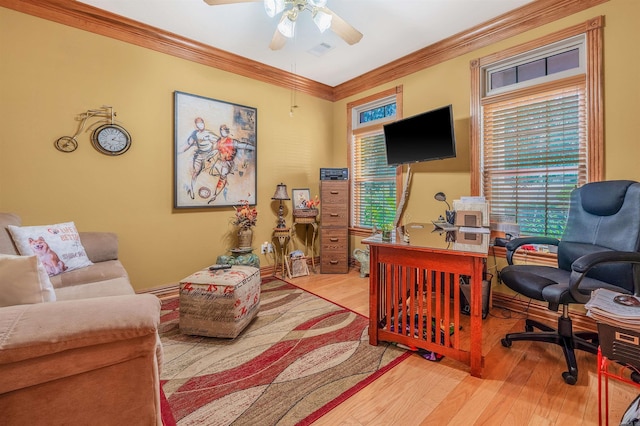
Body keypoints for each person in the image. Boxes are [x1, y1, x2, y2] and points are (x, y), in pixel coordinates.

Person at [207, 124, 255, 204]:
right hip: (220, 161)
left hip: (228, 162)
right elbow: (212, 150)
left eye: (225, 130)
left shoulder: (232, 141)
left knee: (223, 175)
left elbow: (243, 145)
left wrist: (254, 148)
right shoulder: (218, 142)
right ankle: (218, 191)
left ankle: (215, 194)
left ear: (227, 131)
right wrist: (209, 157)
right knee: (220, 174)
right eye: (222, 130)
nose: (223, 131)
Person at [181, 117, 216, 199]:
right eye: (198, 124)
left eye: (202, 123)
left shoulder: (209, 133)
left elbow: (218, 142)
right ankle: (192, 189)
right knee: (196, 172)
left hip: (209, 154)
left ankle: (213, 193)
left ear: (204, 123)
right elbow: (189, 143)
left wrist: (212, 152)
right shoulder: (195, 134)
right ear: (196, 125)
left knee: (214, 171)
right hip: (199, 155)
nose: (201, 125)